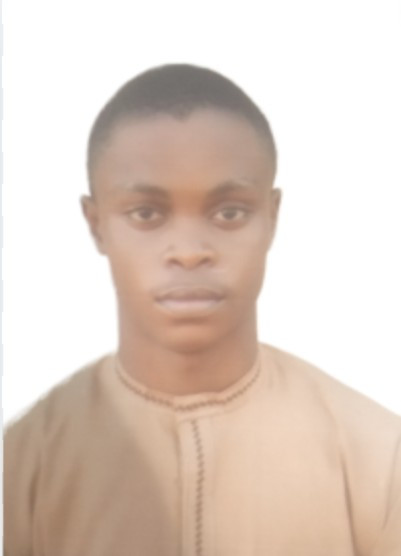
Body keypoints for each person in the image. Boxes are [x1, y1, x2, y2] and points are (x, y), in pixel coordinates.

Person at [3, 64, 401, 556]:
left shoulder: (378, 458)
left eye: (229, 212)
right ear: (96, 223)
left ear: (272, 217)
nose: (189, 252)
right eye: (146, 213)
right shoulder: (21, 466)